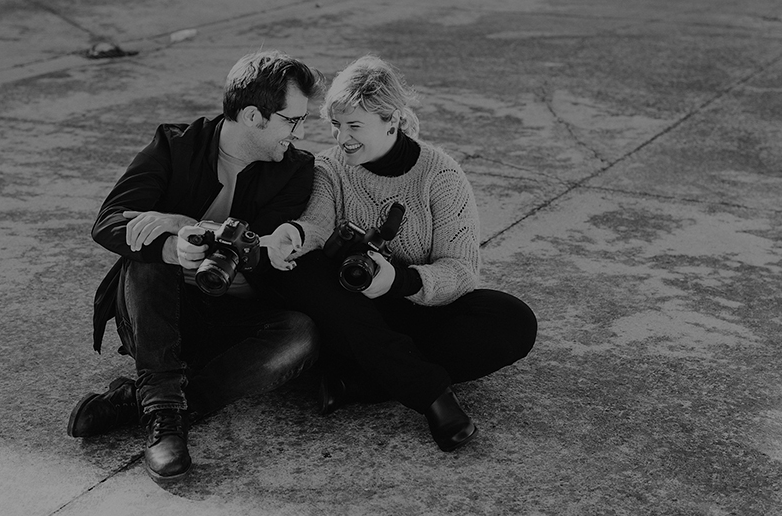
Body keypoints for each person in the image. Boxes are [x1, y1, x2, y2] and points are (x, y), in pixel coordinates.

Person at [67, 50, 326, 482]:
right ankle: (164, 421)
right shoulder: (174, 146)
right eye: (292, 120)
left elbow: (259, 251)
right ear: (253, 116)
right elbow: (109, 221)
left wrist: (186, 224)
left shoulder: (294, 170)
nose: (299, 132)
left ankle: (147, 403)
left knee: (300, 334)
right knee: (149, 255)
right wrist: (171, 246)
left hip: (230, 320)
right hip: (155, 315)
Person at [260, 55, 537, 452]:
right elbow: (316, 225)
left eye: (354, 126)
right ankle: (431, 394)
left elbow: (461, 271)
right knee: (303, 269)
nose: (341, 137)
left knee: (512, 320)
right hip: (351, 312)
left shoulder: (440, 175)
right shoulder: (329, 168)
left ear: (391, 120)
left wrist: (400, 280)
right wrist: (293, 235)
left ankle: (360, 382)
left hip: (412, 307)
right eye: (336, 125)